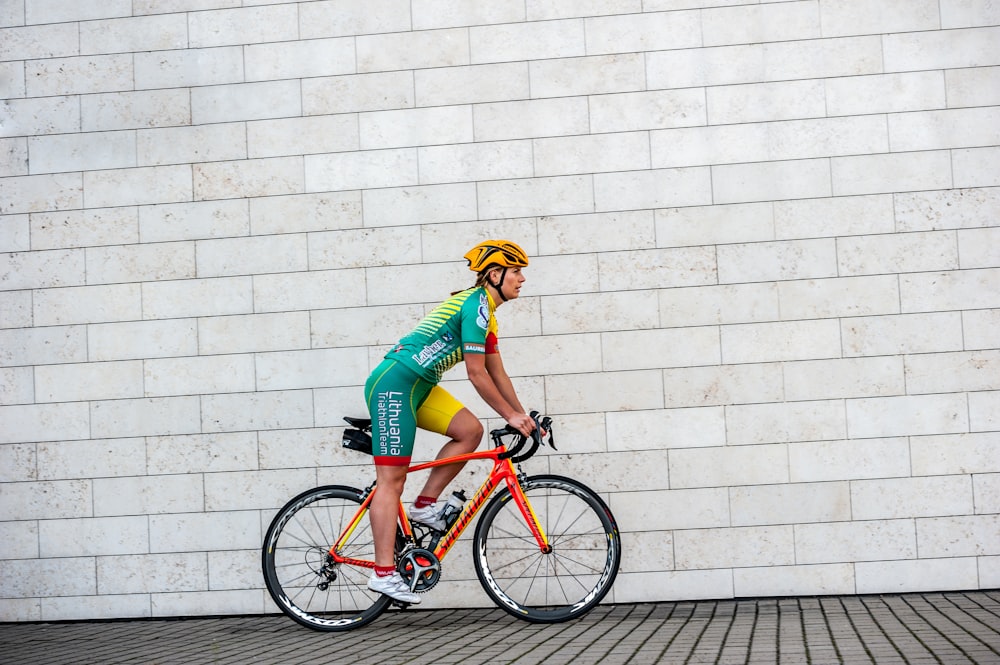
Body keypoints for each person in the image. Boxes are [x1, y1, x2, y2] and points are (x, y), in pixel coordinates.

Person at [363, 240, 537, 603]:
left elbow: (497, 374)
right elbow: (476, 374)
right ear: (495, 274)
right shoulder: (474, 306)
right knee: (390, 481)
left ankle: (425, 505)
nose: (522, 279)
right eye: (516, 271)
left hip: (420, 385)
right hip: (395, 383)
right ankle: (383, 574)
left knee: (469, 431)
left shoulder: (486, 313)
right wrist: (510, 416)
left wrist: (523, 415)